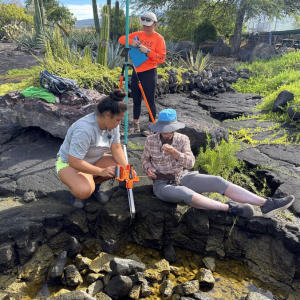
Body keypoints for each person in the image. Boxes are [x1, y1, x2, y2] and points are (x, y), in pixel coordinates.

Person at [142, 109, 295, 218]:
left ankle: (266, 204)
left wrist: (176, 154)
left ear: (175, 127)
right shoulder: (151, 141)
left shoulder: (182, 139)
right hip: (162, 184)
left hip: (183, 176)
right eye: (162, 129)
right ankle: (229, 208)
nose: (164, 132)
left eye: (168, 129)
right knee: (185, 193)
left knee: (218, 181)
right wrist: (148, 168)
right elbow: (145, 160)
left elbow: (190, 163)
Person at [55, 89, 129, 208]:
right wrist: (100, 171)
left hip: (94, 159)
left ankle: (95, 185)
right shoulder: (84, 130)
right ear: (107, 115)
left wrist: (127, 169)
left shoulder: (111, 124)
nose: (119, 123)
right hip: (70, 164)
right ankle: (79, 190)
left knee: (119, 167)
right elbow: (74, 161)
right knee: (84, 191)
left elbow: (116, 148)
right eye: (118, 120)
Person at [118, 11, 166, 136]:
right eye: (144, 26)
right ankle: (135, 125)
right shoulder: (138, 34)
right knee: (136, 100)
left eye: (148, 26)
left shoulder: (159, 39)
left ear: (155, 25)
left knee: (150, 100)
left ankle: (152, 126)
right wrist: (130, 41)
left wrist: (148, 51)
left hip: (150, 72)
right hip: (136, 71)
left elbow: (161, 59)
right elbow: (121, 39)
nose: (146, 28)